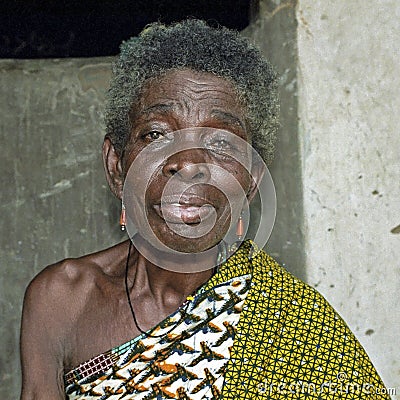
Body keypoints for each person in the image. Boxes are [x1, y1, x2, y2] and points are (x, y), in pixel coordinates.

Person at [20, 20, 389, 399]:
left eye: (221, 142)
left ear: (251, 180)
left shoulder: (296, 326)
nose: (189, 161)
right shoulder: (62, 301)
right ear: (117, 167)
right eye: (156, 134)